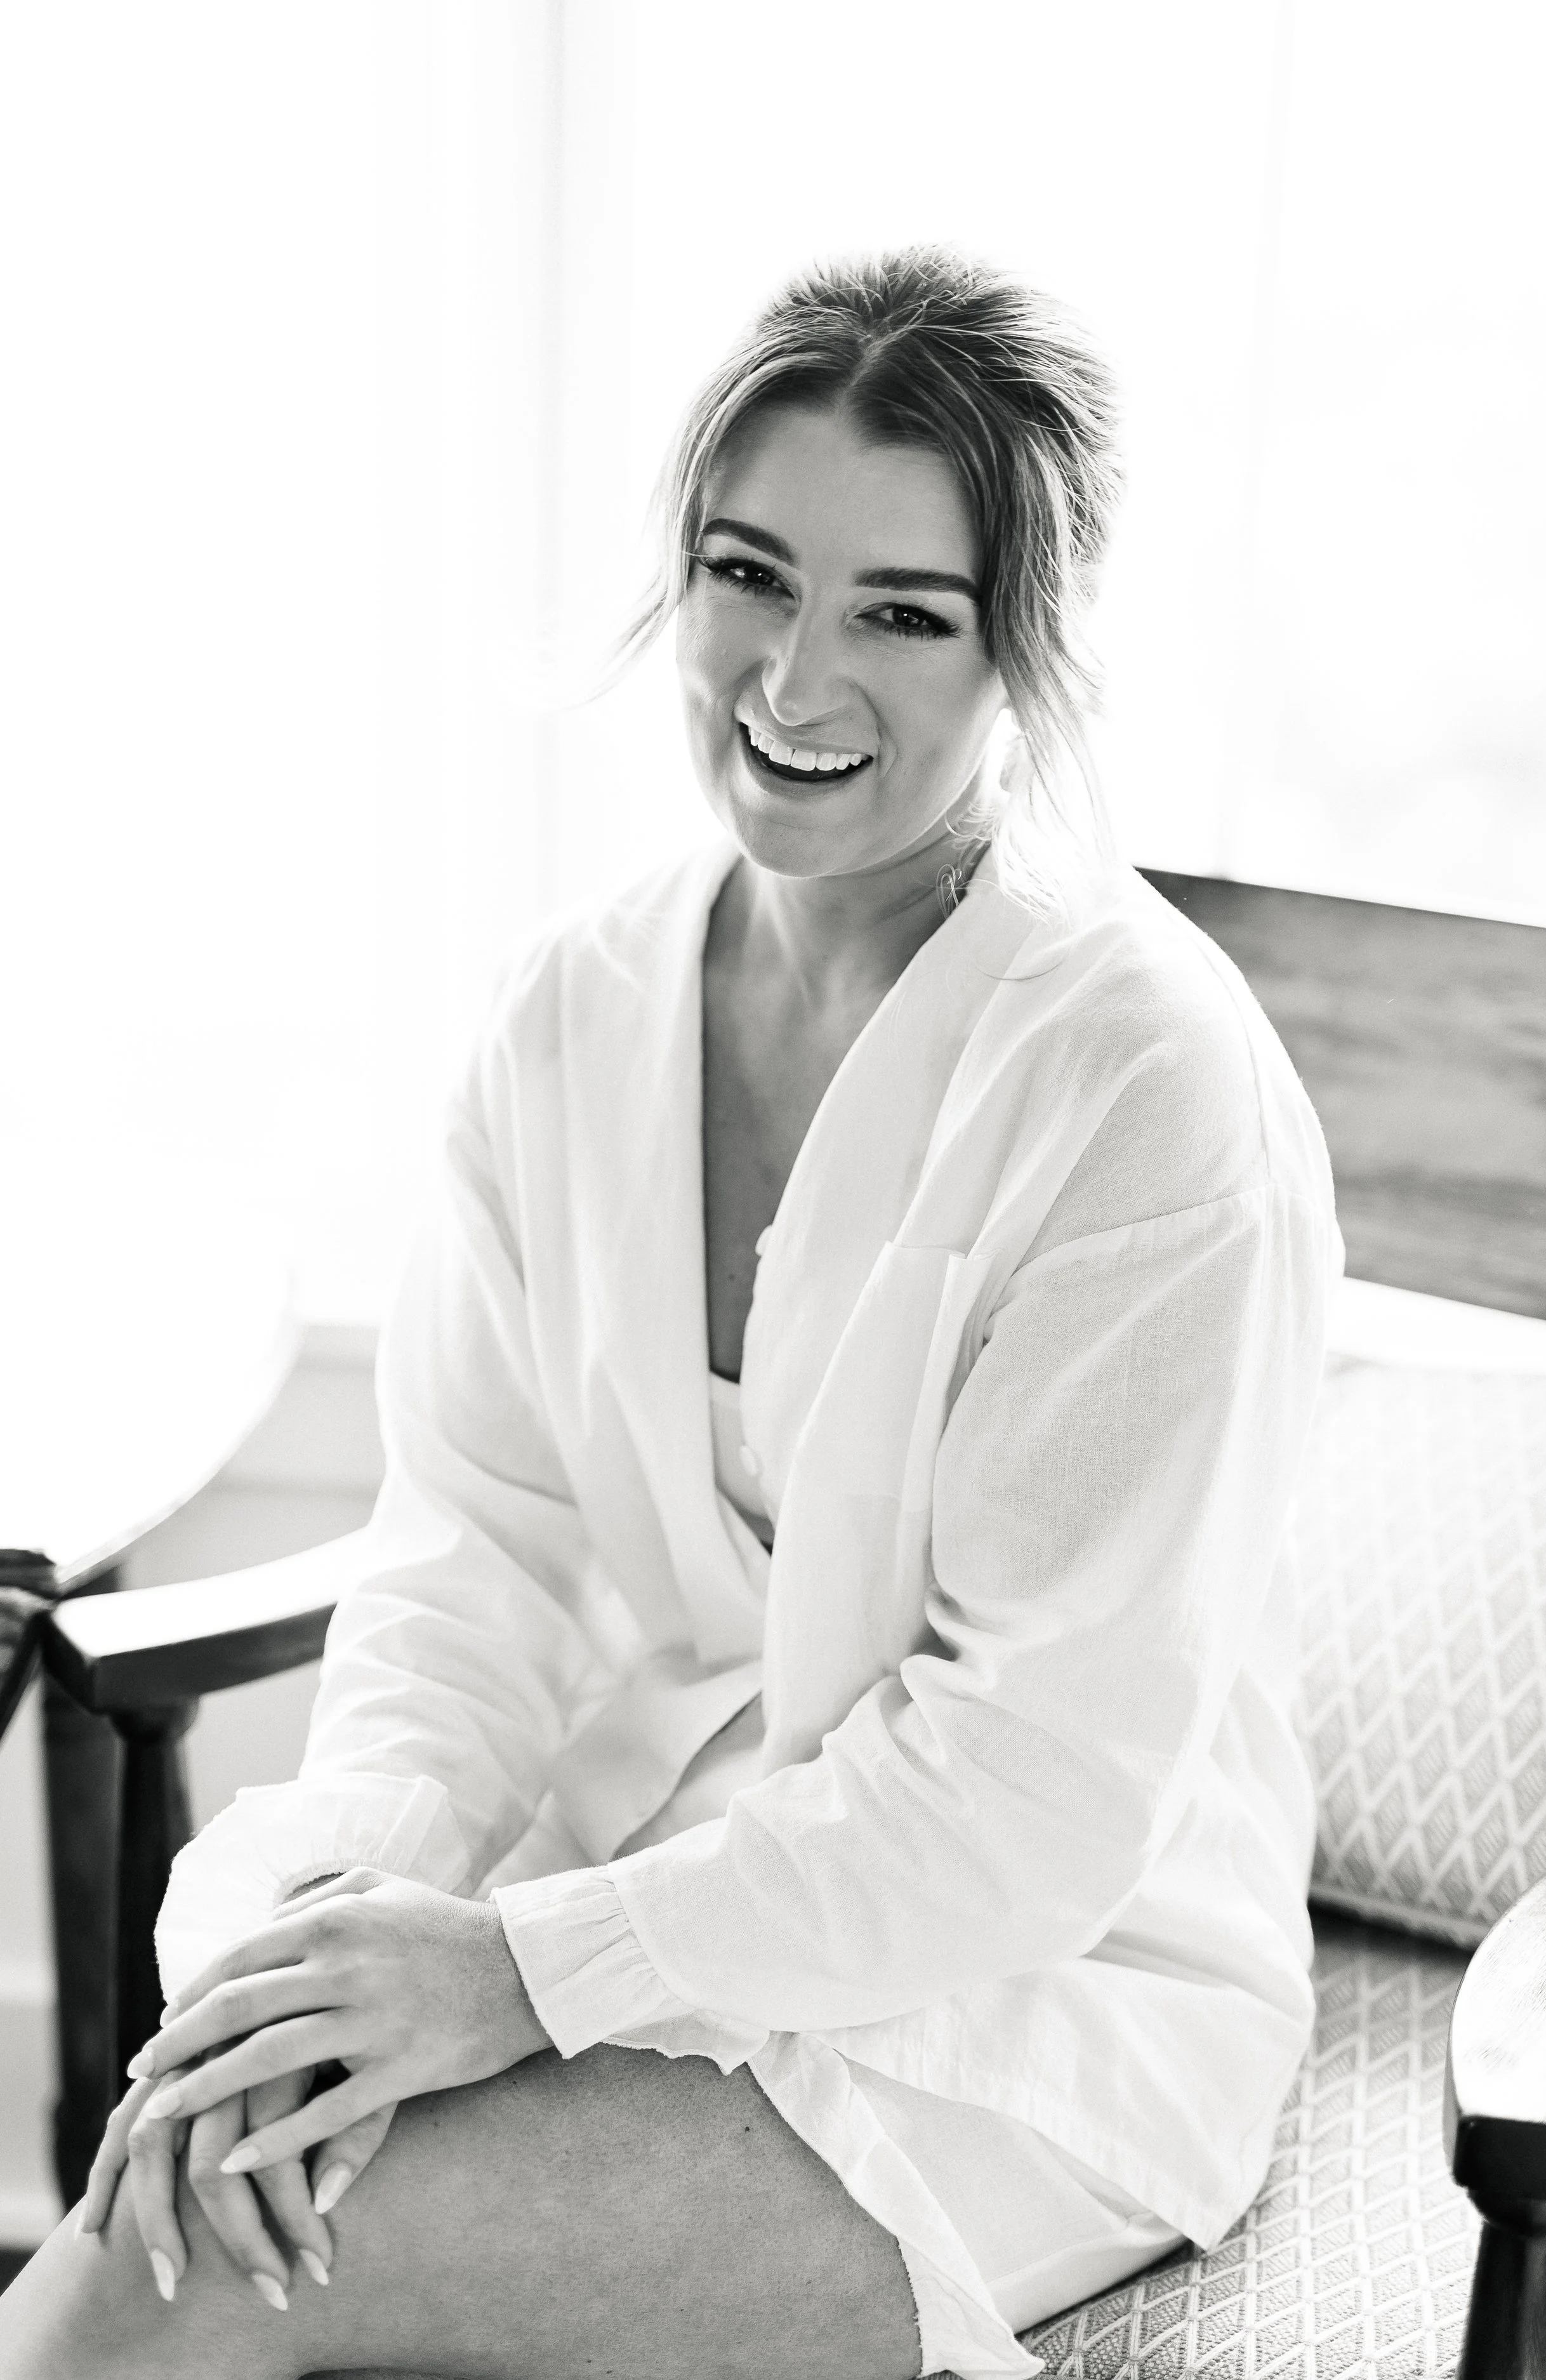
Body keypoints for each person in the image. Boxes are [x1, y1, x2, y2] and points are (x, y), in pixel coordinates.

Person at [0, 244, 1337, 2380]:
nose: (794, 678)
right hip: (647, 1873)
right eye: (748, 574)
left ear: (1030, 643)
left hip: (1041, 1992)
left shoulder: (1140, 1082)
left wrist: (519, 1970)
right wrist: (333, 1928)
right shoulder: (567, 1012)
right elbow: (478, 1569)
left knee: (186, 2269)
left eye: (903, 612)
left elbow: (1035, 1784)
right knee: (196, 2164)